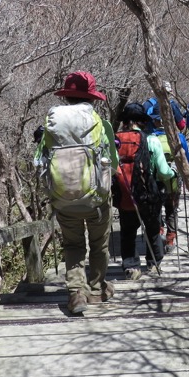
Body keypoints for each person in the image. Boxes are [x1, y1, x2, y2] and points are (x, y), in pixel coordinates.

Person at [44, 71, 118, 314]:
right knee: (99, 245)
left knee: (73, 244)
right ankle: (96, 290)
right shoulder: (100, 123)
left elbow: (40, 160)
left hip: (63, 198)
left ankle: (76, 293)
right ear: (92, 99)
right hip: (96, 199)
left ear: (66, 98)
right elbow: (113, 163)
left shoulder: (52, 127)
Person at [114, 103, 176, 278]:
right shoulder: (151, 140)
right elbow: (164, 172)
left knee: (128, 231)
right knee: (152, 228)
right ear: (141, 122)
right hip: (148, 193)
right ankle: (153, 263)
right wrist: (173, 174)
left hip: (124, 193)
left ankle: (131, 267)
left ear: (125, 121)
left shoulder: (115, 140)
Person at [149, 103, 189, 253]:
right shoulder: (178, 137)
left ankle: (159, 232)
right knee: (172, 209)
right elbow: (187, 161)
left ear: (154, 121)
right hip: (173, 181)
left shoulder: (149, 138)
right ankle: (170, 239)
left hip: (154, 181)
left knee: (156, 209)